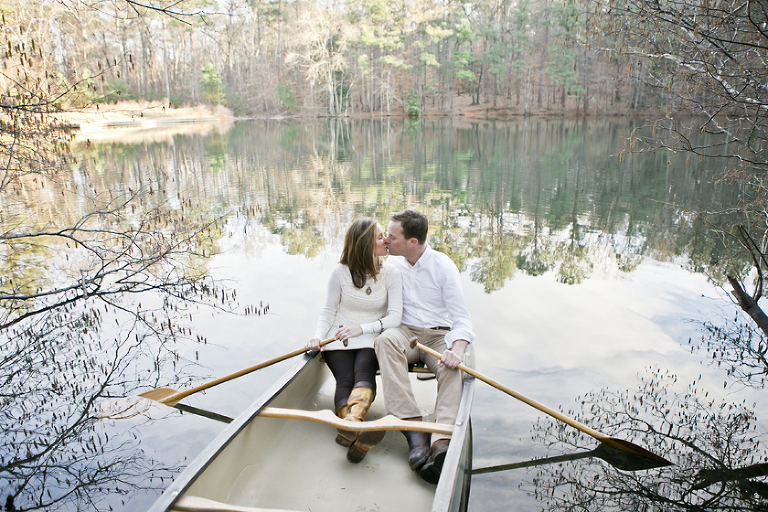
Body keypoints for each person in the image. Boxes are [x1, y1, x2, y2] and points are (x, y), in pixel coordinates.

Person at [375, 208, 474, 484]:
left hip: (438, 335)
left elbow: (462, 320)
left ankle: (440, 441)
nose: (385, 241)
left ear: (412, 242)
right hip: (405, 331)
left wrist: (458, 351)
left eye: (391, 237)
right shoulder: (390, 264)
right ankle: (414, 432)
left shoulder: (443, 266)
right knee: (384, 341)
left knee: (454, 369)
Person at [306, 218, 402, 463]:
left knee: (363, 373)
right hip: (339, 338)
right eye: (380, 237)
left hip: (372, 337)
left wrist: (362, 329)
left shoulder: (391, 272)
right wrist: (317, 337)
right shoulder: (340, 272)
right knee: (345, 379)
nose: (386, 240)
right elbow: (328, 311)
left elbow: (394, 317)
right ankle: (352, 425)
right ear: (364, 245)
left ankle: (348, 425)